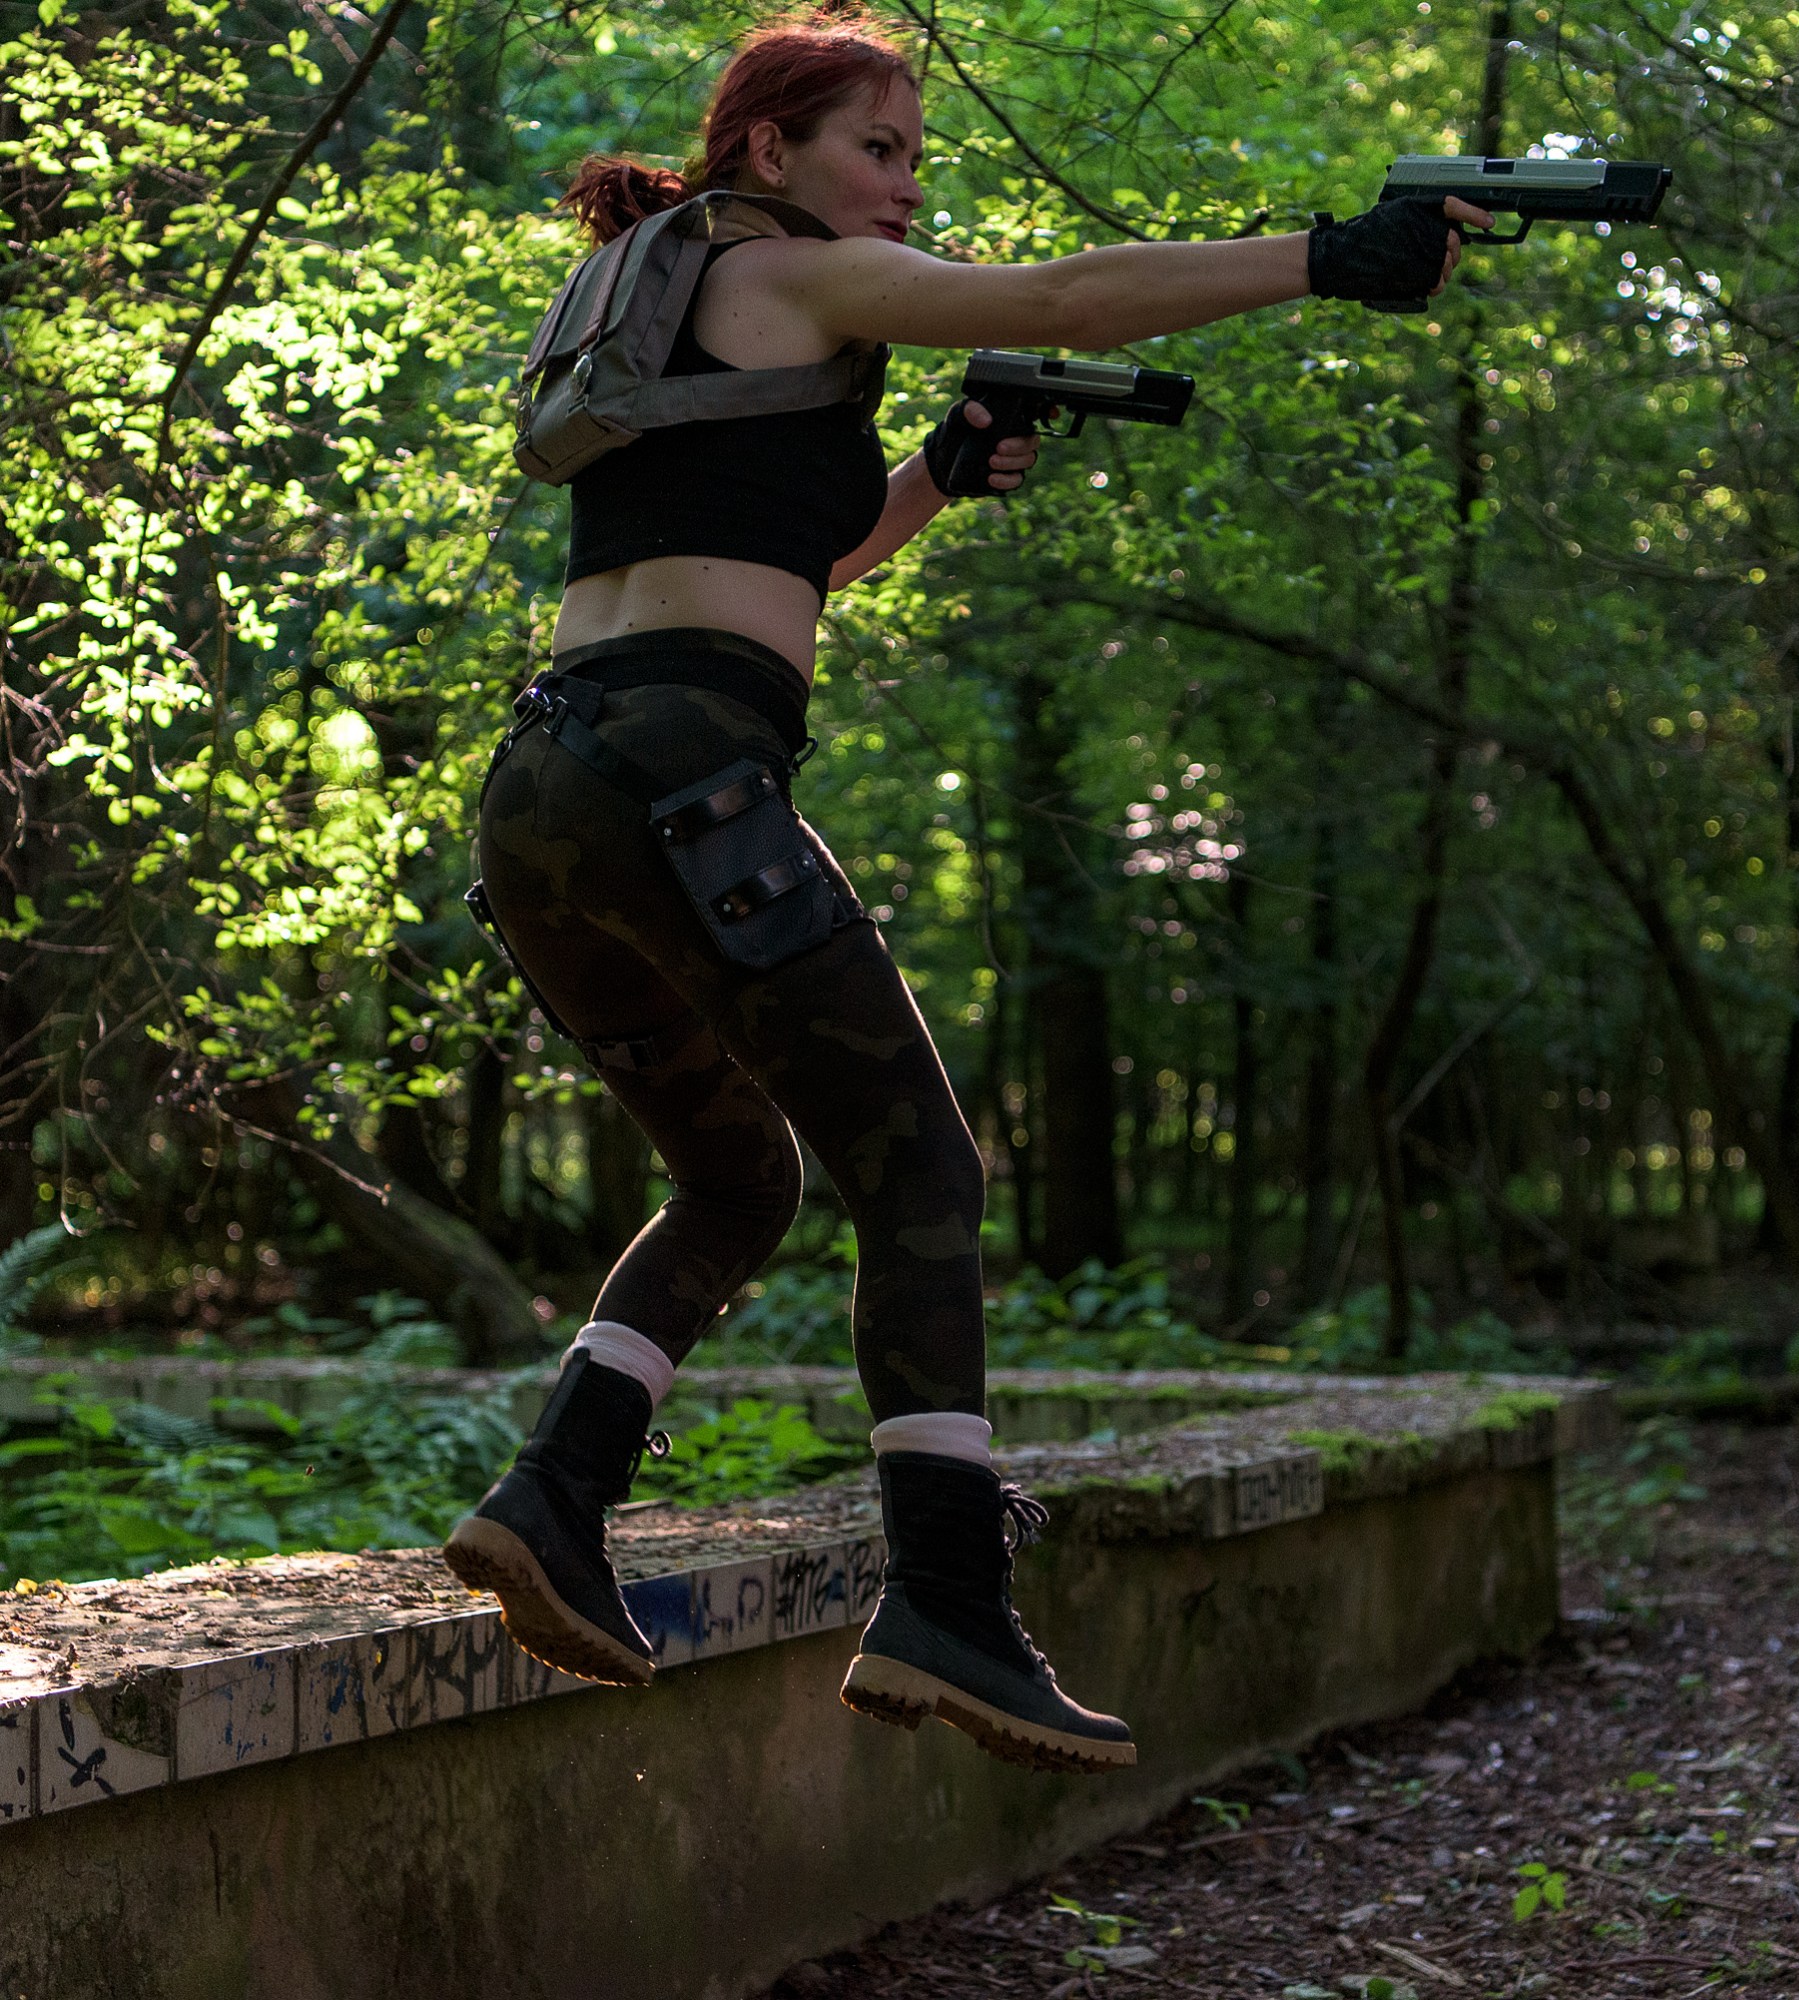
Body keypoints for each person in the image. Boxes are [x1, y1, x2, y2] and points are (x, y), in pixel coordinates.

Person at [443, 5, 1489, 1776]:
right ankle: (944, 1601)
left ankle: (551, 1500)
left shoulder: (659, 290)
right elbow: (1074, 295)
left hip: (549, 795)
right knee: (923, 1169)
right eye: (880, 147)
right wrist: (1337, 254)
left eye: (918, 155)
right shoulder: (791, 264)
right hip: (686, 776)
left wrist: (936, 467)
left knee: (738, 1177)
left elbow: (797, 557)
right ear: (769, 150)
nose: (909, 185)